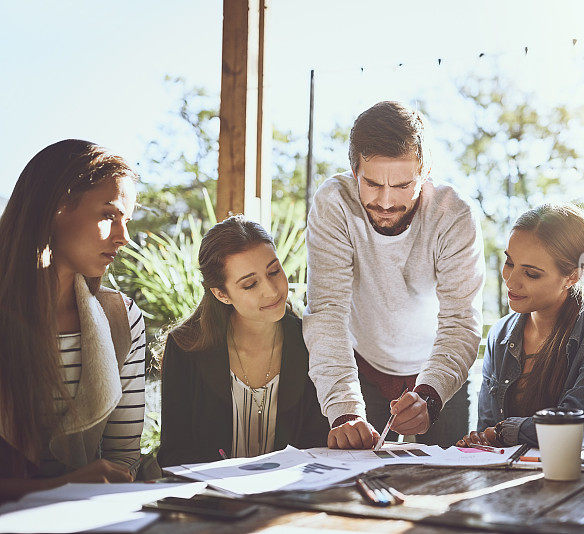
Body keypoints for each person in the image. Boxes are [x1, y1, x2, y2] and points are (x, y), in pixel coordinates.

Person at [303, 101, 485, 449]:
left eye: (403, 185)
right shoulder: (334, 203)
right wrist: (343, 410)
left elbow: (461, 320)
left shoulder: (454, 213)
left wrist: (430, 395)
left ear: (426, 170)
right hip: (360, 367)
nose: (386, 202)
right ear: (353, 170)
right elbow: (327, 313)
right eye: (372, 183)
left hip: (440, 365)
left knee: (448, 485)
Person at [0, 140, 145, 500]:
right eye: (109, 215)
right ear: (57, 206)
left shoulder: (121, 319)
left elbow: (122, 460)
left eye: (126, 220)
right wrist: (58, 489)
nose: (123, 237)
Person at [458, 204, 584, 450]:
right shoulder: (499, 335)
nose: (510, 281)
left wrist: (504, 432)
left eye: (531, 274)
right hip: (512, 480)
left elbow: (574, 432)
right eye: (509, 263)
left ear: (572, 276)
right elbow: (487, 430)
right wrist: (481, 440)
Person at [158, 216, 328, 466]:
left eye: (274, 271)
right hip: (211, 499)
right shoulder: (185, 347)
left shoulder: (310, 341)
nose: (271, 290)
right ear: (221, 294)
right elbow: (175, 454)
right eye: (249, 284)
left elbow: (319, 445)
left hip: (292, 497)